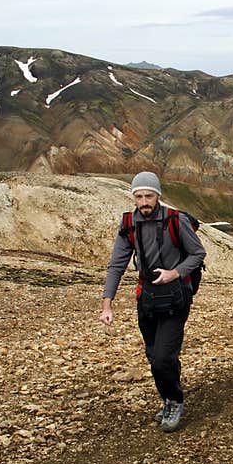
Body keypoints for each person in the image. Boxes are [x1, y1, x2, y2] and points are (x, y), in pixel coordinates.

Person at [99, 171, 207, 432]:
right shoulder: (128, 225)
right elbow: (117, 264)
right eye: (139, 196)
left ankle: (175, 401)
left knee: (161, 358)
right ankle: (169, 397)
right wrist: (107, 303)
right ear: (133, 197)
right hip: (146, 299)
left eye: (149, 196)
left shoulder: (176, 220)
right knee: (155, 355)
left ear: (158, 196)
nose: (144, 201)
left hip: (176, 297)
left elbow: (198, 253)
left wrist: (175, 272)